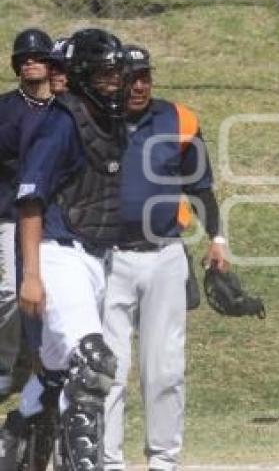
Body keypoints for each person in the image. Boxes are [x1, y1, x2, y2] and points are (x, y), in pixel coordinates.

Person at [102, 44, 226, 471]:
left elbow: (201, 186)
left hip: (165, 254)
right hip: (107, 257)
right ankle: (107, 459)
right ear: (112, 78)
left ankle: (164, 459)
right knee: (107, 368)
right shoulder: (94, 119)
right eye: (129, 77)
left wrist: (218, 238)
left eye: (145, 77)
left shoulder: (180, 119)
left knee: (165, 367)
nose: (138, 85)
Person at [15, 28, 131, 469]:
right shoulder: (61, 122)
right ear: (82, 76)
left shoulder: (107, 120)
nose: (115, 83)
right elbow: (30, 199)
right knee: (93, 361)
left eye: (117, 74)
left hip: (96, 258)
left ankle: (14, 445)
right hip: (57, 252)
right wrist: (31, 273)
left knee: (57, 375)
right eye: (104, 75)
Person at [0, 28, 55, 400]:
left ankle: (48, 361)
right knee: (7, 293)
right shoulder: (4, 108)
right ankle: (7, 365)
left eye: (38, 56)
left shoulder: (63, 107)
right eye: (25, 57)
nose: (32, 62)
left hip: (56, 215)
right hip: (8, 213)